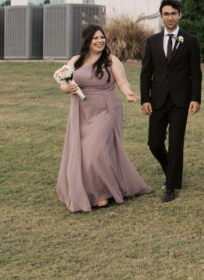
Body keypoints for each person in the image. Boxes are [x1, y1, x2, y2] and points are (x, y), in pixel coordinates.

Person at [56, 24, 151, 212]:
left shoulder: (111, 60)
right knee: (83, 152)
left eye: (102, 38)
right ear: (87, 41)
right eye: (96, 38)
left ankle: (104, 192)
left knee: (96, 149)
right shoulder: (75, 60)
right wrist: (66, 88)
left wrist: (128, 93)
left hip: (106, 108)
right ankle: (92, 192)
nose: (100, 41)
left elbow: (121, 82)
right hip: (82, 110)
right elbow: (63, 83)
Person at [140, 0, 202, 204]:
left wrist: (195, 98)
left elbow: (196, 72)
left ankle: (171, 185)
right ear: (161, 16)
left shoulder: (190, 40)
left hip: (180, 100)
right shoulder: (152, 41)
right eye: (166, 14)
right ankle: (172, 171)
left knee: (176, 143)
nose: (169, 17)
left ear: (180, 15)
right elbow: (146, 72)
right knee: (154, 143)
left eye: (173, 13)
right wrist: (145, 99)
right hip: (157, 99)